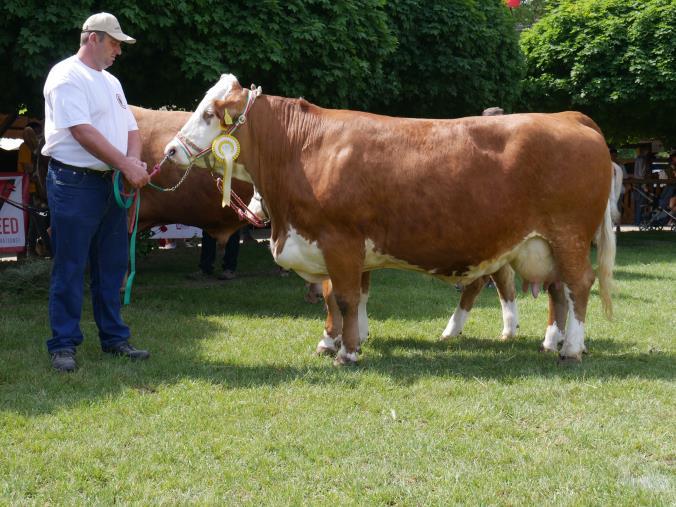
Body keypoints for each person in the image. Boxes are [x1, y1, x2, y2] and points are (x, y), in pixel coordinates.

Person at [42, 12, 151, 372]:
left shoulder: (112, 82)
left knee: (112, 265)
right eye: (114, 42)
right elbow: (81, 131)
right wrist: (127, 166)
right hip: (74, 182)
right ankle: (63, 344)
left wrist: (132, 164)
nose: (119, 50)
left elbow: (132, 130)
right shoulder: (66, 75)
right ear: (93, 39)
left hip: (108, 184)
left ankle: (114, 339)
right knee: (71, 265)